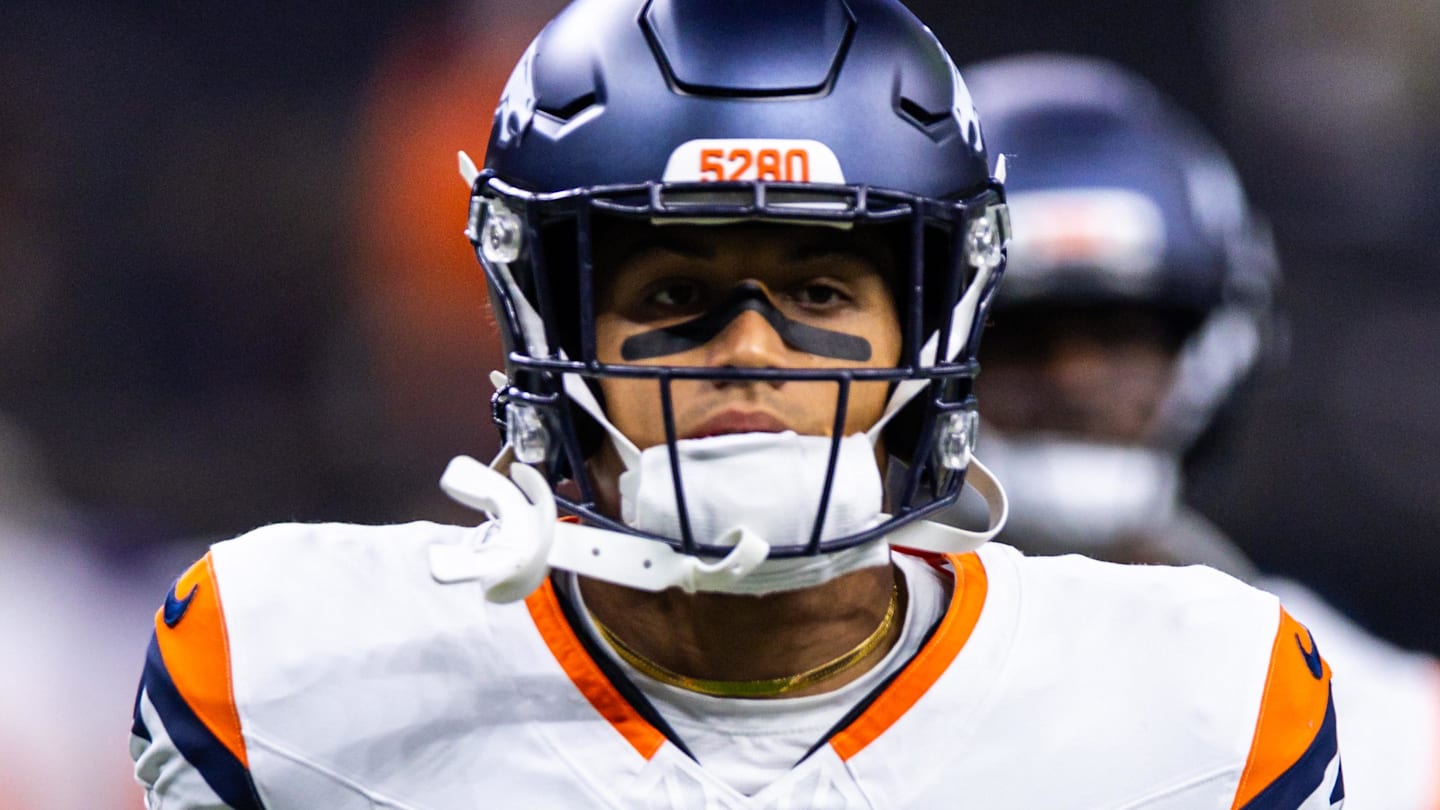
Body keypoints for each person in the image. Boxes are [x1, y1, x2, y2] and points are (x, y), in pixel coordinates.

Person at [128, 2, 1344, 807]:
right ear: (552, 329)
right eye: (675, 293)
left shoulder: (1202, 707)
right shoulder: (292, 675)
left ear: (932, 330)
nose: (752, 350)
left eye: (819, 290)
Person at [956, 52, 1438, 806]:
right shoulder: (807, 657)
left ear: (1217, 347)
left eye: (1122, 333)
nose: (1075, 379)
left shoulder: (1394, 729)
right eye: (1018, 334)